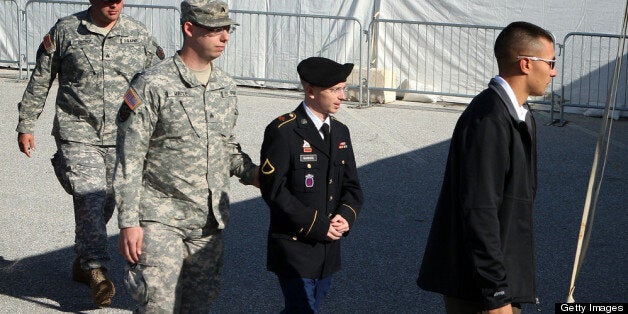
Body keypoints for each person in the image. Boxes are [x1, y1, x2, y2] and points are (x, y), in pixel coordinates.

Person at [15, 0, 163, 307]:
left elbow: (158, 81)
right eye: (108, 0)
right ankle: (97, 271)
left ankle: (83, 258)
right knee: (90, 195)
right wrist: (26, 123)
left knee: (107, 197)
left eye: (119, 0)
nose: (114, 5)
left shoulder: (139, 34)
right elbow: (42, 78)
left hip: (123, 135)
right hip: (77, 131)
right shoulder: (66, 30)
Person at [114, 0, 259, 312]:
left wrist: (256, 174)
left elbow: (226, 148)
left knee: (198, 306)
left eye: (226, 29)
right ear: (189, 29)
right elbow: (130, 158)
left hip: (208, 221)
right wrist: (128, 222)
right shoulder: (153, 83)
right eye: (214, 30)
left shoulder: (225, 86)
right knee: (158, 305)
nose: (224, 37)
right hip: (160, 216)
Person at [417, 21, 556, 314]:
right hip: (480, 291)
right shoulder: (489, 118)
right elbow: (479, 210)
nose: (554, 71)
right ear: (526, 63)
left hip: (502, 279)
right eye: (551, 62)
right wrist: (497, 293)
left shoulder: (519, 114)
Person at [259, 56, 364, 313]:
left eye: (343, 88)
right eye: (335, 90)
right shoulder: (284, 130)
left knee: (307, 307)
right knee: (304, 309)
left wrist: (345, 216)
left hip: (327, 248)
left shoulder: (340, 132)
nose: (343, 96)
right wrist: (318, 224)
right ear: (311, 91)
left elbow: (352, 186)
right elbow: (274, 190)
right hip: (296, 244)